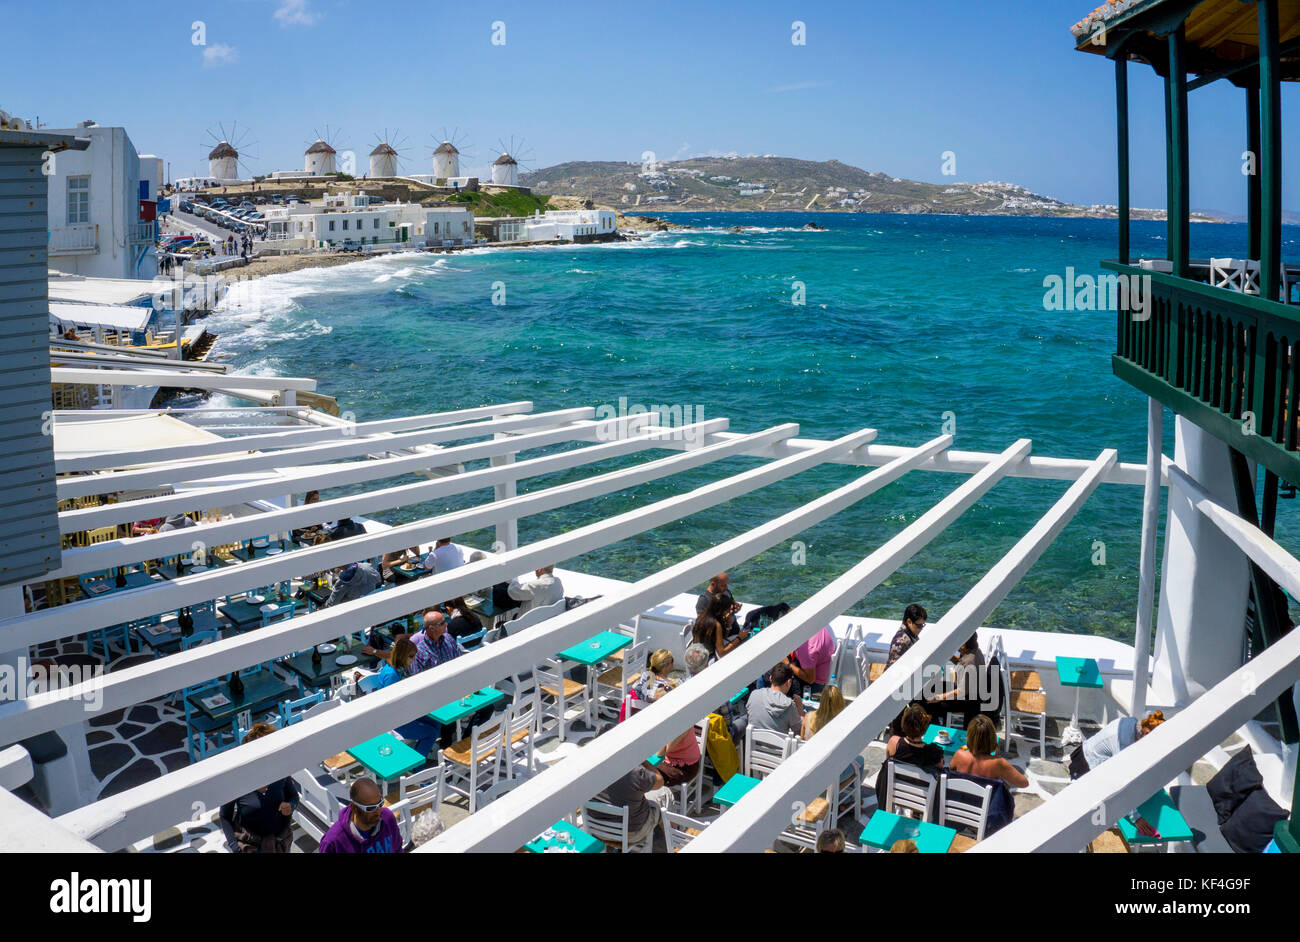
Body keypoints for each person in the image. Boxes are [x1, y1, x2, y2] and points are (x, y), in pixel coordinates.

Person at [219, 723, 299, 853]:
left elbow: (293, 796)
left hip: (280, 842)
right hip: (250, 846)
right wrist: (234, 846)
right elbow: (224, 816)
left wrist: (290, 805)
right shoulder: (236, 781)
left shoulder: (280, 772)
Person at [355, 639, 443, 756]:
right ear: (402, 656)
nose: (414, 659)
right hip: (393, 721)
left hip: (404, 713)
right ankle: (416, 768)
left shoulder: (397, 667)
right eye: (411, 656)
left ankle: (421, 753)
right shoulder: (392, 675)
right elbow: (389, 706)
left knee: (437, 722)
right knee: (431, 733)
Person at [317, 777, 402, 853]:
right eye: (370, 808)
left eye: (380, 804)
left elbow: (398, 848)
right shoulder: (333, 842)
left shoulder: (387, 818)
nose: (378, 812)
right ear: (354, 807)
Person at [1074, 710, 1166, 779]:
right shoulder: (1124, 742)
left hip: (1083, 751)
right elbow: (1121, 772)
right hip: (1085, 767)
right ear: (1146, 733)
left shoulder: (1132, 721)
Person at [592, 763, 665, 848]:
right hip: (630, 834)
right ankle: (674, 840)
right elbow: (660, 781)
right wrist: (644, 761)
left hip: (598, 830)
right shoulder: (634, 772)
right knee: (664, 793)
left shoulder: (586, 771)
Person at [950, 714, 1028, 788]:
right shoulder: (999, 763)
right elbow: (1024, 783)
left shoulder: (959, 755)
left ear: (969, 737)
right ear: (992, 739)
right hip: (985, 801)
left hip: (961, 798)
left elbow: (951, 771)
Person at [650, 681, 701, 788]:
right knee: (639, 771)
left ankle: (653, 801)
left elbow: (662, 752)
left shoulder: (682, 724)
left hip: (684, 767)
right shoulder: (667, 717)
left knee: (647, 777)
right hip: (666, 759)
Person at [746, 661, 803, 736]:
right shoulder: (790, 706)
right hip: (779, 747)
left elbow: (749, 716)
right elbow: (799, 733)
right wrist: (800, 711)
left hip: (754, 744)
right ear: (788, 682)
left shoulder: (754, 695)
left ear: (770, 678)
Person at [787, 624, 835, 698]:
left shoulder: (806, 648)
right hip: (822, 672)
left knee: (770, 677)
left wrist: (787, 664)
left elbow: (810, 679)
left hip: (814, 684)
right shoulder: (818, 625)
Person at [886, 603, 928, 668]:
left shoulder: (911, 631)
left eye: (923, 625)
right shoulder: (900, 642)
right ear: (909, 621)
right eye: (919, 625)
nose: (921, 629)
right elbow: (894, 670)